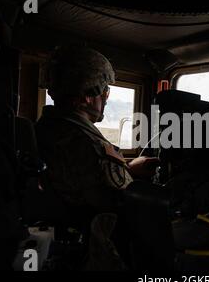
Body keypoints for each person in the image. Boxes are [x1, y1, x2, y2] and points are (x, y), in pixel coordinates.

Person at [35, 46, 159, 268]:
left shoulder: (47, 129)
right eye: (105, 91)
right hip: (93, 250)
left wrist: (128, 168)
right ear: (87, 95)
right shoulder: (85, 143)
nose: (106, 98)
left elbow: (83, 179)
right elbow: (121, 205)